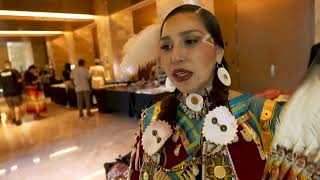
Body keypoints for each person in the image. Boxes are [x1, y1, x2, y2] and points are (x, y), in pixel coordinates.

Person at [123, 4, 320, 179]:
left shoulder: (263, 118)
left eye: (190, 41)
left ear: (218, 51)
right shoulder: (150, 120)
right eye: (166, 46)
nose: (175, 56)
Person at [0, 61, 23, 125]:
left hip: (6, 93)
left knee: (10, 107)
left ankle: (13, 119)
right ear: (10, 65)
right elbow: (19, 80)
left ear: (4, 65)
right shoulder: (14, 71)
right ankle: (17, 120)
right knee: (16, 106)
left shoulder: (1, 73)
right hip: (15, 92)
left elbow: (0, 83)